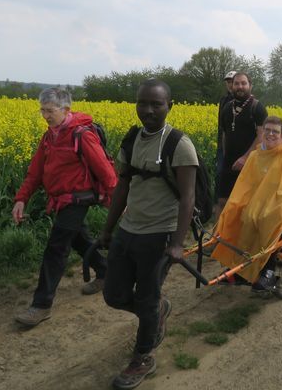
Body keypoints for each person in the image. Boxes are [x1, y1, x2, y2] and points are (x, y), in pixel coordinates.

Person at [100, 79, 198, 389]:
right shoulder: (131, 140)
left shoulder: (179, 144)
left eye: (156, 104)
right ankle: (157, 311)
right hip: (129, 229)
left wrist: (179, 243)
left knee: (146, 298)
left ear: (169, 105)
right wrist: (107, 229)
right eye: (143, 103)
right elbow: (123, 187)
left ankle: (143, 357)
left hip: (160, 234)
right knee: (113, 295)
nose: (148, 110)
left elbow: (188, 198)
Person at [12, 88, 117, 327]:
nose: (45, 116)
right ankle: (106, 272)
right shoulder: (50, 136)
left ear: (66, 110)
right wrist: (21, 199)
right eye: (42, 110)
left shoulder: (81, 134)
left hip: (78, 198)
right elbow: (35, 171)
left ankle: (41, 305)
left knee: (56, 247)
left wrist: (118, 204)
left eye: (49, 111)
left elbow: (106, 172)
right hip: (60, 198)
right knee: (78, 239)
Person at [211, 116, 282, 292]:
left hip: (280, 204)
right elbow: (245, 185)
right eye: (268, 130)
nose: (271, 134)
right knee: (240, 216)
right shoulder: (255, 156)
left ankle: (268, 269)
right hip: (257, 204)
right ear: (262, 132)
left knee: (268, 219)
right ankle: (242, 268)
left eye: (275, 131)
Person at [216, 72, 267, 216]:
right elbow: (225, 134)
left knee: (247, 204)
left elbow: (261, 136)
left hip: (251, 163)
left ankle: (242, 237)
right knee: (222, 201)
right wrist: (226, 156)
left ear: (250, 86)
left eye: (243, 83)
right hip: (229, 162)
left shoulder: (257, 108)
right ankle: (218, 236)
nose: (240, 86)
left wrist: (245, 158)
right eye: (236, 83)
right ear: (232, 86)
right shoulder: (227, 108)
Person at [215, 71, 236, 196]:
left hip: (237, 146)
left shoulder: (245, 99)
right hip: (222, 145)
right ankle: (218, 201)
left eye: (232, 81)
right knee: (220, 173)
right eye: (228, 82)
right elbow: (221, 125)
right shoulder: (223, 100)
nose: (230, 84)